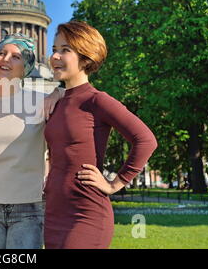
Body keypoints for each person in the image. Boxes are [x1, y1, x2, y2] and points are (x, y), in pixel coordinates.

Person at [44, 20, 158, 249]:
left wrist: (115, 184)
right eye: (54, 49)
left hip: (86, 215)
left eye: (65, 50)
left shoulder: (96, 100)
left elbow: (146, 140)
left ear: (85, 58)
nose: (55, 56)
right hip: (53, 214)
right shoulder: (56, 101)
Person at [0, 33, 64, 249]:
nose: (5, 59)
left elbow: (80, 94)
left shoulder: (42, 101)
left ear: (27, 65)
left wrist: (59, 92)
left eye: (15, 56)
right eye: (1, 53)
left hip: (29, 207)